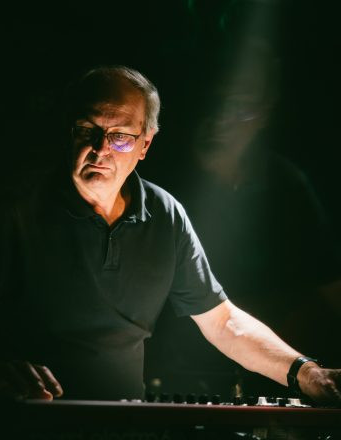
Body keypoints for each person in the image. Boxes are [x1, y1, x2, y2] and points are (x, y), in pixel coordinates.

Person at [0, 65, 341, 404]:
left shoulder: (165, 215)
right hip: (29, 425)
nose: (100, 149)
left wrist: (306, 372)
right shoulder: (19, 213)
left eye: (119, 137)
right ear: (69, 131)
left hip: (124, 425)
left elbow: (223, 321)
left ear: (145, 145)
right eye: (87, 131)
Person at [144, 38, 341, 398]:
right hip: (164, 374)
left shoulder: (286, 184)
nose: (221, 119)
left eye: (240, 107)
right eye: (215, 102)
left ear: (265, 112)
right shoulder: (154, 182)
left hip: (263, 374)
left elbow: (329, 287)